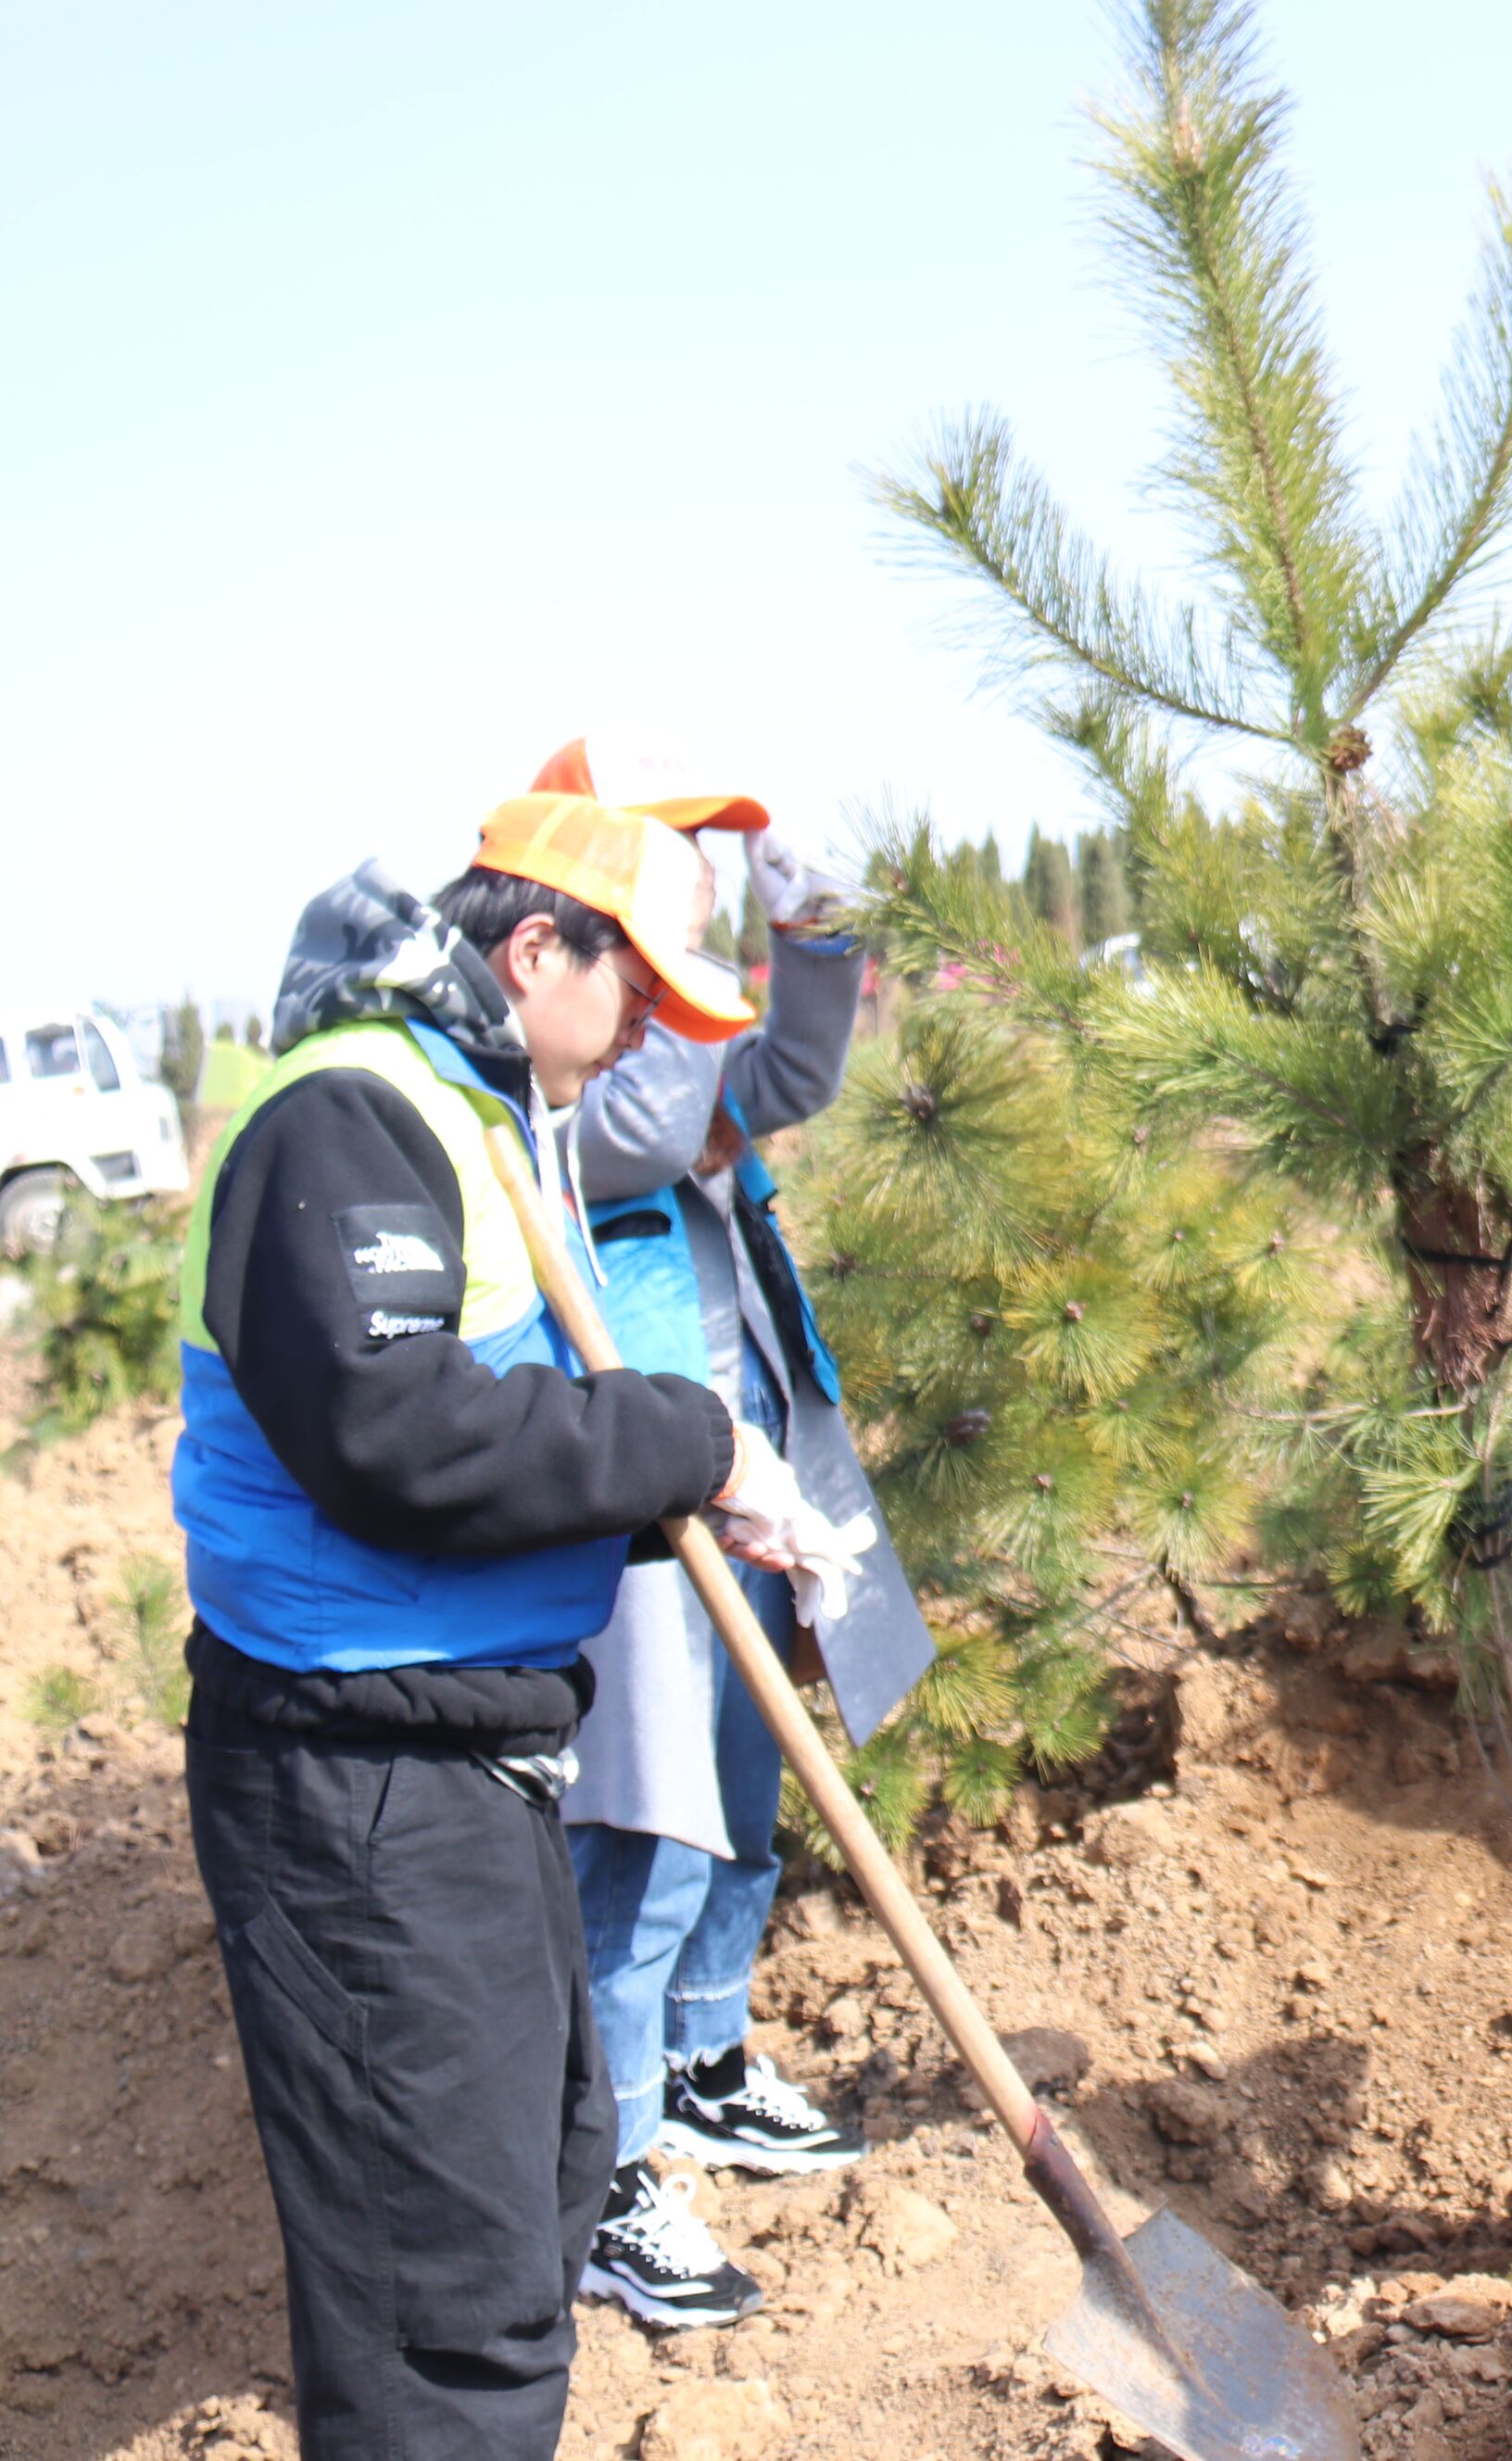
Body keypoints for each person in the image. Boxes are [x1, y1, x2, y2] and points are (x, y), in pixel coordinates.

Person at [172, 793, 835, 2457]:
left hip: (459, 1753)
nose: (649, 1035)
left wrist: (682, 1504)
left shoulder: (475, 1112)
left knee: (532, 2201)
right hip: (355, 1777)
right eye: (641, 992)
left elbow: (484, 1435)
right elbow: (396, 1433)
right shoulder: (350, 1115)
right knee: (441, 2314)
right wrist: (687, 1439)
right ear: (538, 948)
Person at [530, 742, 934, 2328]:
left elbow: (788, 1078)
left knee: (745, 1791)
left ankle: (704, 2059)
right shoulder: (572, 1098)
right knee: (647, 1833)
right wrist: (722, 965)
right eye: (658, 920)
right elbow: (677, 1110)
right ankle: (614, 2168)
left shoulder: (664, 1069)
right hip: (651, 1521)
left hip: (752, 1490)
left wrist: (811, 937)